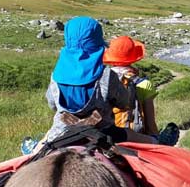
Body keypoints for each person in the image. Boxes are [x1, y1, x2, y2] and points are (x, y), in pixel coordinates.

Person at [41, 16, 150, 144]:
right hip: (103, 133)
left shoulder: (56, 76)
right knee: (149, 141)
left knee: (37, 150)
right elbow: (123, 102)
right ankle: (158, 141)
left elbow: (52, 104)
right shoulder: (106, 75)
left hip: (61, 132)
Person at [103, 35, 160, 136]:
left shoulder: (103, 80)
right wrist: (155, 138)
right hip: (134, 135)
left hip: (107, 134)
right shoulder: (144, 84)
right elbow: (150, 125)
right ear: (134, 58)